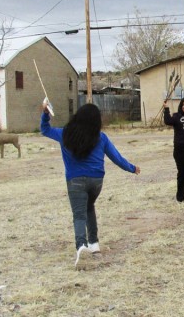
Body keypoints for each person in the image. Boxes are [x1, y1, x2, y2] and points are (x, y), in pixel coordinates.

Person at [40, 102, 140, 267]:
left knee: (79, 215)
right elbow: (116, 157)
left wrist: (45, 114)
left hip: (75, 181)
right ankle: (94, 246)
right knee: (89, 207)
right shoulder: (101, 137)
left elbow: (45, 129)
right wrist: (132, 168)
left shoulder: (65, 134)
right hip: (96, 182)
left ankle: (81, 247)